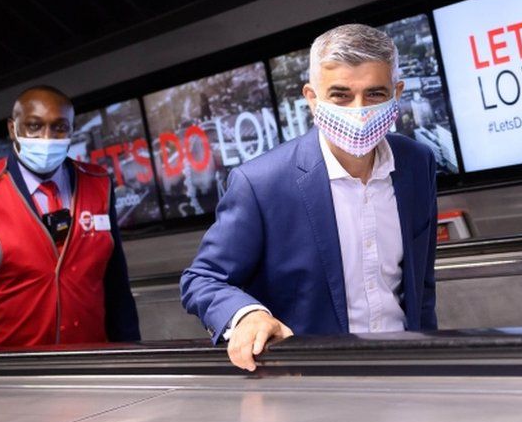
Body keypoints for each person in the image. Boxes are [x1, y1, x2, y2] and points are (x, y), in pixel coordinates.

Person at [181, 24, 438, 371]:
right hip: (313, 379)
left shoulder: (417, 163)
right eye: (341, 95)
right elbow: (202, 278)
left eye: (375, 94)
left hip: (407, 368)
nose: (359, 111)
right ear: (312, 98)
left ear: (397, 92)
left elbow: (421, 283)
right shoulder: (261, 183)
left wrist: (432, 361)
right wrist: (247, 315)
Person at [0, 85, 140, 371]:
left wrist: (133, 355)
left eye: (59, 128)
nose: (47, 138)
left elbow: (115, 282)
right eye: (34, 126)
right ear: (12, 128)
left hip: (90, 365)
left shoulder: (99, 184)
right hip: (5, 374)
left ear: (71, 130)